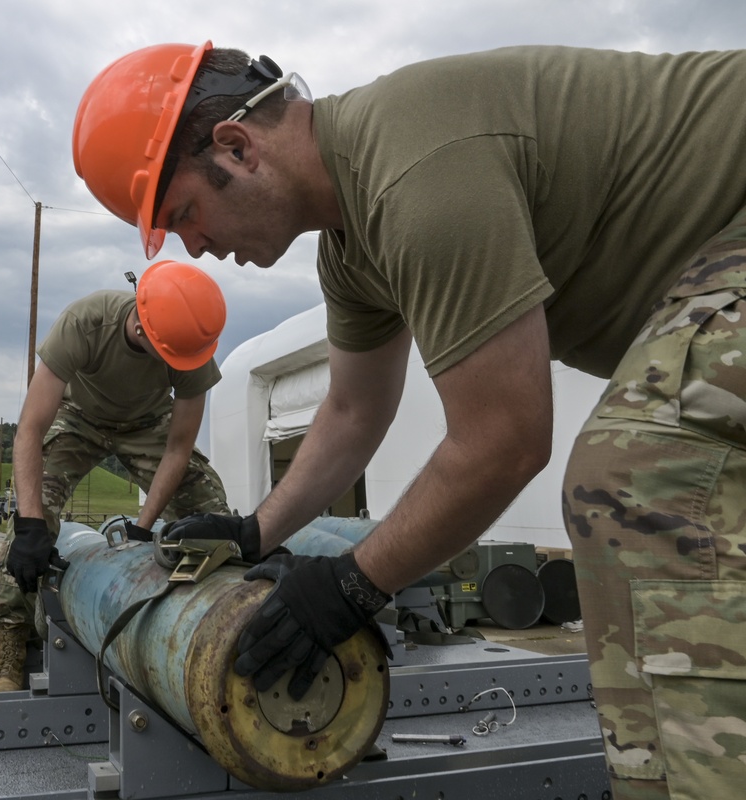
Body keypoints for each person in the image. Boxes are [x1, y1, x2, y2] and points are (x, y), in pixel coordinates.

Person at [71, 43, 746, 799]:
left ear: (237, 146)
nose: (195, 247)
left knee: (640, 475)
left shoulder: (412, 173)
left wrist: (352, 586)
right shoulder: (351, 249)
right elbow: (355, 412)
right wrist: (257, 532)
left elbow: (506, 439)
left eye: (185, 213)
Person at [0, 260, 231, 692]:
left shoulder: (189, 345)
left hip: (148, 424)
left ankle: (222, 623)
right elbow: (30, 429)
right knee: (30, 517)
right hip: (78, 418)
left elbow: (177, 448)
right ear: (142, 330)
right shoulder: (86, 322)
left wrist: (142, 527)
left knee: (211, 511)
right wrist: (31, 525)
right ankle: (9, 648)